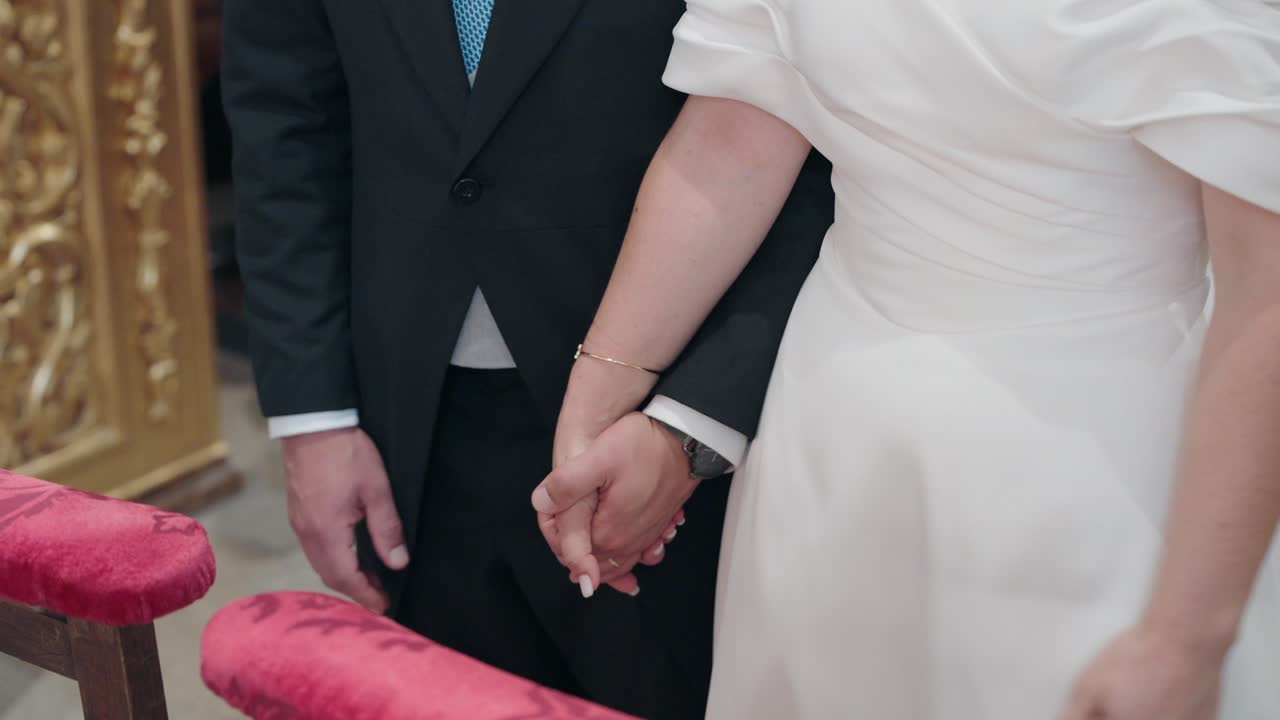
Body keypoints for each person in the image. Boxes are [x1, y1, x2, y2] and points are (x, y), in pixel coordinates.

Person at [533, 0, 1280, 717]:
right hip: (829, 439)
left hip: (1090, 464)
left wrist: (1186, 640)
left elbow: (1266, 298)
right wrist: (591, 419)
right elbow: (735, 132)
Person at [219, 1, 832, 717]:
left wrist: (692, 421)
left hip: (671, 426)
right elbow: (284, 125)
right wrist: (311, 415)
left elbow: (810, 133)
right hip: (409, 418)